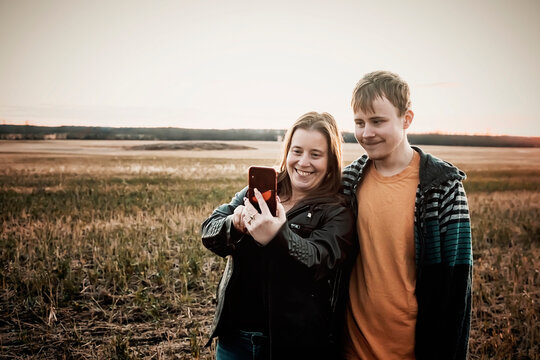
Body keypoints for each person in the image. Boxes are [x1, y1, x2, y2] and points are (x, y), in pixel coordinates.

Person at [201, 112, 355, 360]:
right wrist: (235, 223)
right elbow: (209, 231)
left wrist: (278, 235)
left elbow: (320, 261)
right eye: (297, 151)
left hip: (293, 345)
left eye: (315, 154)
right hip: (234, 340)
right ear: (287, 152)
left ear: (330, 160)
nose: (303, 162)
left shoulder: (337, 211)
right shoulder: (261, 192)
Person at [341, 71, 473, 360]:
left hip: (415, 351)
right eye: (359, 123)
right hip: (351, 350)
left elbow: (455, 290)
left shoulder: (443, 187)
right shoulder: (348, 182)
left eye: (378, 121)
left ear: (407, 119)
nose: (366, 133)